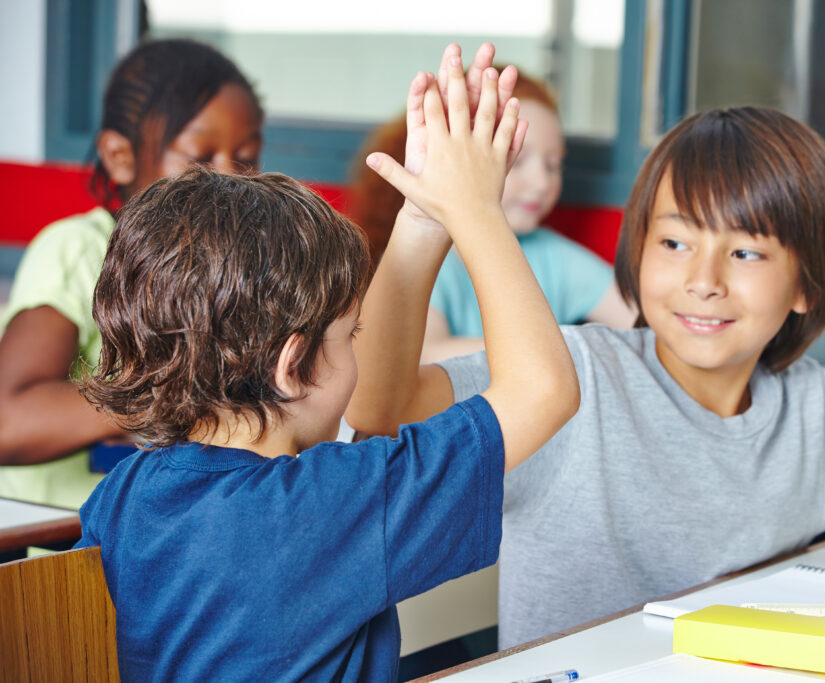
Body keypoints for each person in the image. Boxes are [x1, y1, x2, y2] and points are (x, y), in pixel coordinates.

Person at [347, 105, 825, 649]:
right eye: (674, 242)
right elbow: (383, 410)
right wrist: (424, 222)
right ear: (637, 252)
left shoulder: (817, 409)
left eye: (747, 250)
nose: (704, 281)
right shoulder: (573, 376)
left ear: (805, 285)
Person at [74, 47, 579, 681]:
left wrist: (424, 217)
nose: (359, 354)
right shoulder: (336, 501)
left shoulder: (123, 496)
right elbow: (544, 389)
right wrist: (477, 209)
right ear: (293, 366)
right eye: (350, 334)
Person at [0, 38, 264, 508]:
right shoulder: (80, 250)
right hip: (61, 553)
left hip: (162, 546)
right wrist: (175, 396)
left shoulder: (241, 272)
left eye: (246, 156)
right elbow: (8, 419)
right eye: (200, 157)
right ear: (120, 156)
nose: (230, 179)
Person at [346, 68, 634, 363]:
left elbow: (640, 322)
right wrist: (550, 351)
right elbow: (422, 354)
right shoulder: (427, 254)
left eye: (553, 164)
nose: (542, 182)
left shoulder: (554, 256)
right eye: (518, 160)